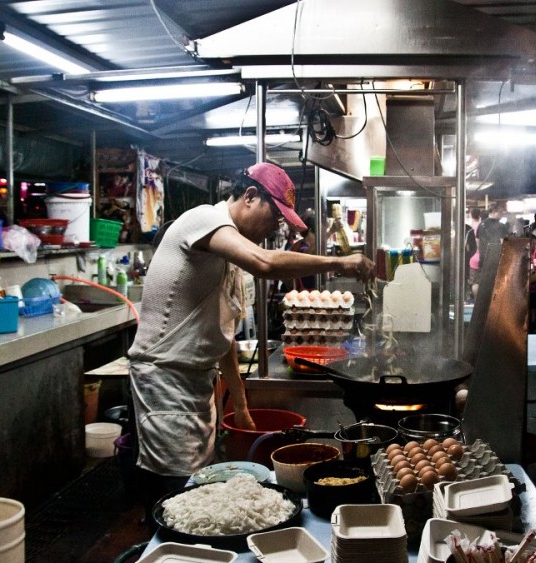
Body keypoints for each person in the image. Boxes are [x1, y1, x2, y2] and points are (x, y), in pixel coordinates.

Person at [127, 162, 374, 516]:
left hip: (195, 382)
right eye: (275, 218)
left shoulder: (224, 253)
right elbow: (266, 263)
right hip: (165, 380)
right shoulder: (204, 220)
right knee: (177, 495)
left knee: (198, 488)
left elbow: (222, 333)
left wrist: (240, 404)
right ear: (250, 196)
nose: (276, 228)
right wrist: (342, 263)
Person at [475, 202, 506, 274]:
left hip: (483, 260)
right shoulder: (501, 226)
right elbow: (503, 243)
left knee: (483, 283)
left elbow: (477, 241)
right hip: (495, 261)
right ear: (494, 211)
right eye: (500, 212)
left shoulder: (481, 224)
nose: (502, 214)